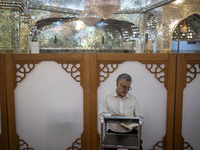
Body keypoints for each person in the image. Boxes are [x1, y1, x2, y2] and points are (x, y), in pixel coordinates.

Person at [98, 73, 143, 150]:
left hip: (131, 132)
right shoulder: (107, 96)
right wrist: (113, 116)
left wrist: (131, 125)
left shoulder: (133, 99)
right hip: (113, 132)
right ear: (117, 84)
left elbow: (140, 117)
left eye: (128, 88)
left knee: (138, 147)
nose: (126, 90)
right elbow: (101, 115)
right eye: (124, 87)